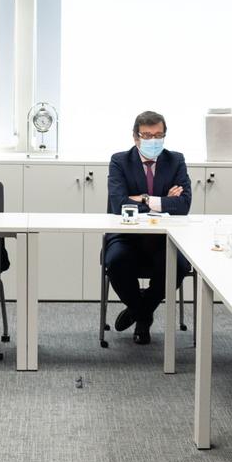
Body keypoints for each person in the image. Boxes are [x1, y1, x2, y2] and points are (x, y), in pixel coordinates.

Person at [102, 110, 193, 345]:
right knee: (116, 262)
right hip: (126, 235)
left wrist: (142, 199)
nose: (153, 140)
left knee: (179, 265)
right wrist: (163, 200)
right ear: (135, 137)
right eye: (147, 135)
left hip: (164, 238)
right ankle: (142, 313)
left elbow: (183, 205)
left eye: (158, 135)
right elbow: (118, 203)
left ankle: (139, 310)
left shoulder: (176, 160)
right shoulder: (119, 161)